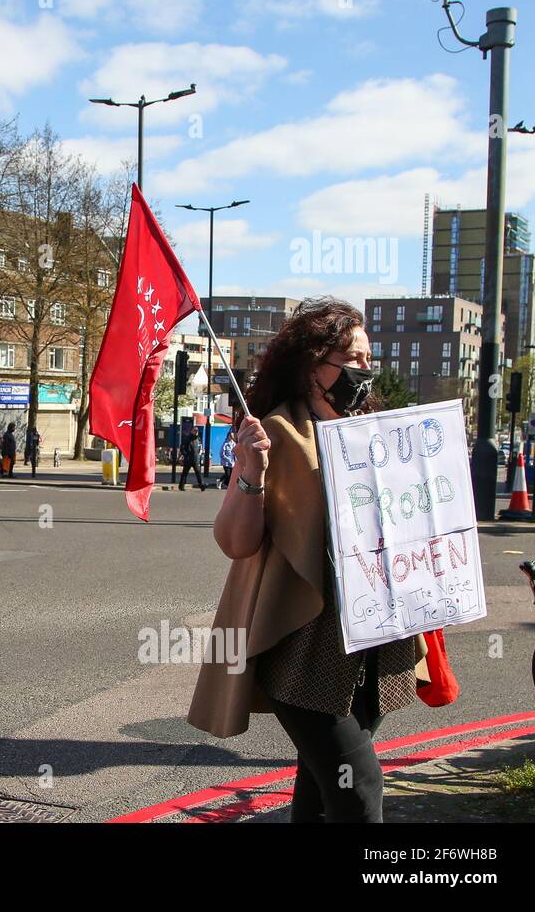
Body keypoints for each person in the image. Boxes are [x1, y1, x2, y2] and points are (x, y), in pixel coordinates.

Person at [187, 297, 429, 823]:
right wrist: (250, 473)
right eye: (352, 358)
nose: (365, 369)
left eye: (368, 358)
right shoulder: (276, 433)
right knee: (359, 787)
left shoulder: (378, 432)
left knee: (321, 792)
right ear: (312, 364)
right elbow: (235, 542)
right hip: (305, 650)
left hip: (373, 644)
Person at [178, 424, 205, 490]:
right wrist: (185, 454)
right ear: (191, 431)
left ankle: (201, 486)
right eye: (194, 430)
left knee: (198, 473)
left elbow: (199, 447)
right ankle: (181, 486)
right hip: (188, 459)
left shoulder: (198, 438)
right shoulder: (187, 438)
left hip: (196, 459)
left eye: (197, 431)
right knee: (185, 473)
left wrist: (199, 454)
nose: (196, 432)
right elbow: (182, 448)